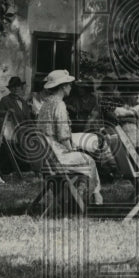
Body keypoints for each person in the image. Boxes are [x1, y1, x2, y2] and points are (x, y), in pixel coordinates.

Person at [36, 69, 103, 205]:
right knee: (89, 160)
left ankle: (77, 197)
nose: (71, 87)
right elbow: (63, 135)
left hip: (44, 156)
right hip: (57, 157)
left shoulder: (46, 104)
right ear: (62, 86)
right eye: (69, 84)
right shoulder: (59, 104)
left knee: (82, 155)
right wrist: (71, 150)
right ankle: (93, 198)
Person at [113, 80, 139, 154]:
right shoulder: (126, 106)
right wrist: (133, 118)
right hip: (122, 136)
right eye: (135, 94)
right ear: (130, 95)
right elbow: (116, 116)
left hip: (137, 139)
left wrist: (124, 118)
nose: (138, 96)